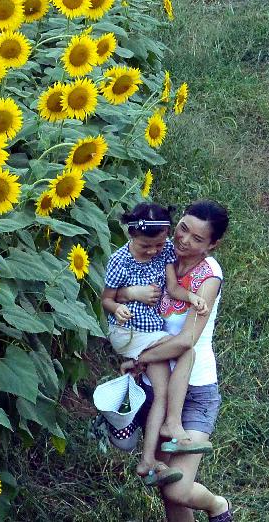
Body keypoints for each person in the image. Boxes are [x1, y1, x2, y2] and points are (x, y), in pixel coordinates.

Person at [118, 200, 233, 521]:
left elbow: (186, 341)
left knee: (178, 489)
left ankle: (218, 506)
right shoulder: (160, 250)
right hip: (157, 387)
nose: (184, 241)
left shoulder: (209, 276)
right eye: (183, 229)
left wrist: (139, 358)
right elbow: (121, 282)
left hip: (195, 392)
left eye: (198, 239)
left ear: (213, 245)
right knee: (166, 487)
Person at [101, 202, 210, 485]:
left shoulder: (164, 256)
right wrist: (122, 302)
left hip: (148, 334)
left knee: (160, 392)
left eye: (159, 245)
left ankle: (148, 459)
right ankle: (173, 424)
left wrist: (191, 297)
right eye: (145, 246)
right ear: (131, 236)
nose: (153, 251)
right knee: (185, 350)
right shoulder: (119, 260)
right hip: (129, 333)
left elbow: (173, 288)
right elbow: (106, 299)